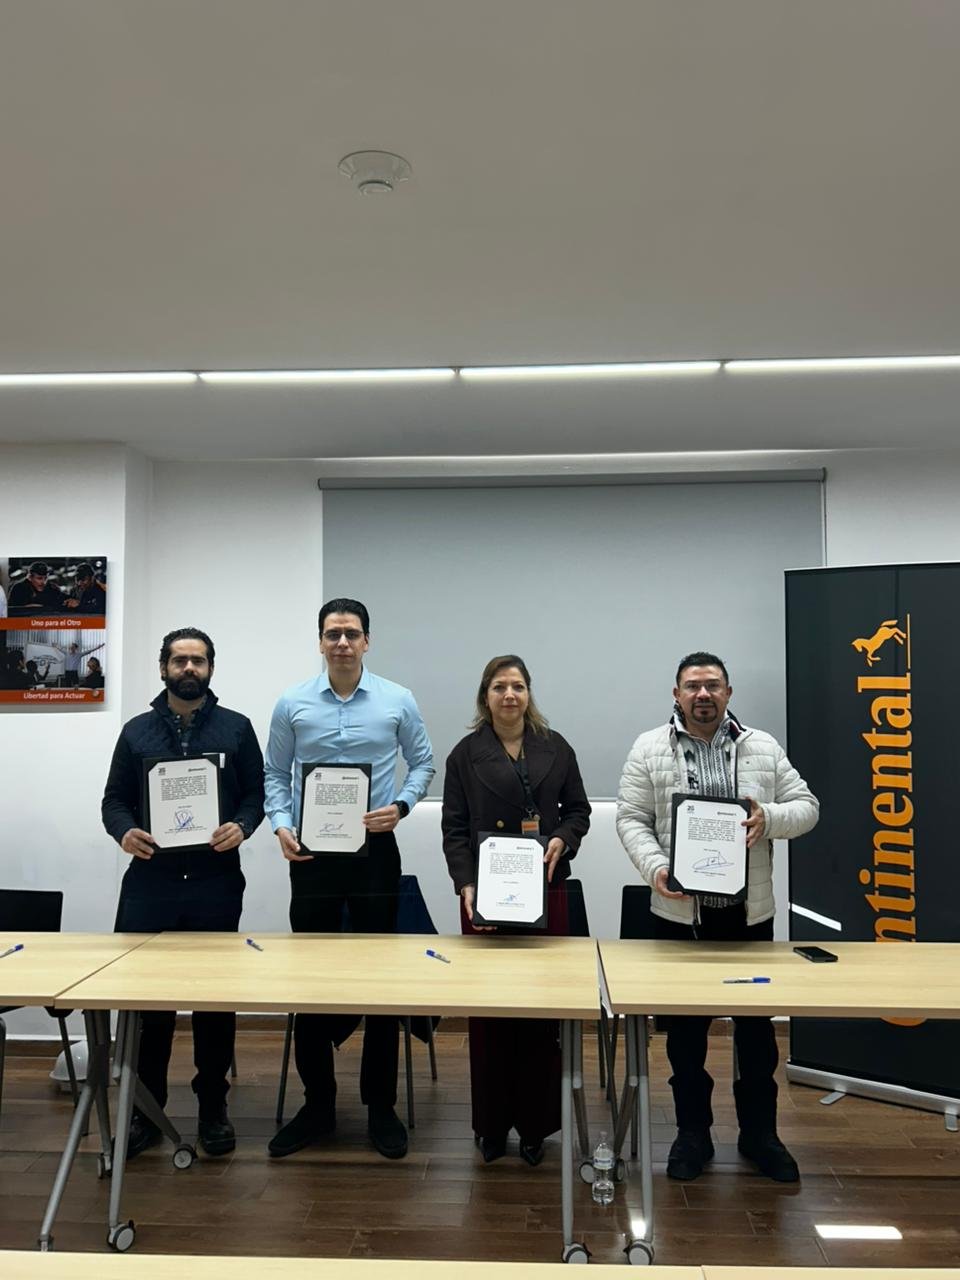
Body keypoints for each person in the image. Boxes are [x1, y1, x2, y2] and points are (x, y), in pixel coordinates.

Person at [616, 651, 819, 1184]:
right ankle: (692, 1135)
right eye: (692, 686)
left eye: (712, 685)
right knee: (685, 1038)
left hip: (748, 918)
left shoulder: (763, 747)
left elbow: (807, 807)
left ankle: (761, 1135)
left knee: (756, 1037)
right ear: (676, 694)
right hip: (679, 917)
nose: (702, 694)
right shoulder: (649, 748)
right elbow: (631, 818)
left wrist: (768, 817)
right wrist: (656, 867)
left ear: (728, 693)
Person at [264, 597, 434, 1161]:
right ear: (320, 641)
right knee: (311, 981)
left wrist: (402, 806)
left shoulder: (397, 699)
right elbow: (274, 772)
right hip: (311, 855)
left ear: (367, 641)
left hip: (374, 852)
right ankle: (318, 1105)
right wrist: (281, 824)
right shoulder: (292, 702)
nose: (342, 642)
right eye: (333, 633)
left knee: (380, 982)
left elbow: (424, 763)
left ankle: (381, 1106)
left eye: (352, 633)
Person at [101, 626, 265, 1159]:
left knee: (214, 1003)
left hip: (216, 884)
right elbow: (113, 801)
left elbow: (256, 795)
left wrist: (242, 825)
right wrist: (124, 831)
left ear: (211, 668)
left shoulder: (237, 728)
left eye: (198, 660)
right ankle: (146, 1112)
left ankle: (213, 1107)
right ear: (163, 668)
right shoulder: (136, 732)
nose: (189, 668)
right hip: (151, 885)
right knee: (149, 1007)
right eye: (179, 660)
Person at [441, 655, 591, 1166]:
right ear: (485, 695)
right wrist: (464, 883)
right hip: (485, 895)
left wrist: (562, 839)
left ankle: (535, 1127)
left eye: (519, 686)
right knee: (490, 1016)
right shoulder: (464, 755)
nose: (510, 695)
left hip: (546, 890)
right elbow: (454, 829)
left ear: (529, 694)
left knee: (539, 1014)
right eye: (500, 686)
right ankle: (490, 1126)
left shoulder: (556, 746)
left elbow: (579, 812)